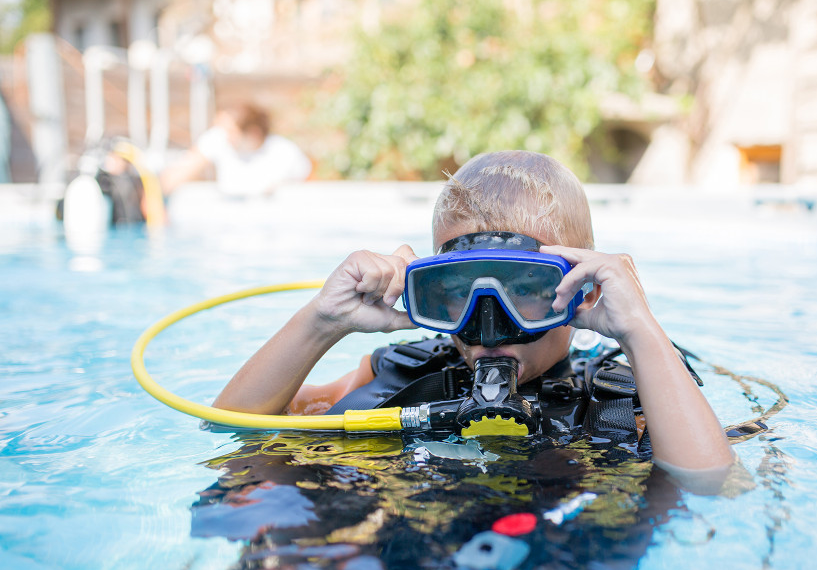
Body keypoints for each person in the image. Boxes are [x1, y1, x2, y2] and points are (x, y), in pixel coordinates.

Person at [214, 149, 734, 476]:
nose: (489, 325)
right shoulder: (402, 371)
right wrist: (322, 323)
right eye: (460, 291)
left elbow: (711, 483)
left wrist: (640, 331)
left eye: (526, 289)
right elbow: (235, 432)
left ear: (585, 290)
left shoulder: (626, 399)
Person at [160, 103, 312, 198]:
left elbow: (313, 192)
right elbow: (173, 178)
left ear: (254, 133)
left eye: (231, 132)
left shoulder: (283, 152)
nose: (224, 136)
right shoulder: (219, 139)